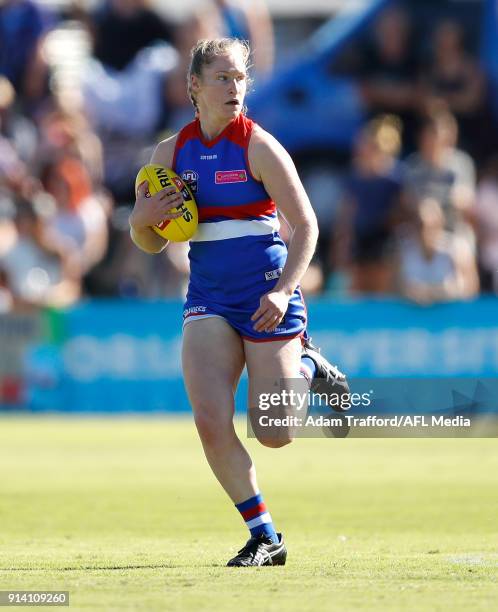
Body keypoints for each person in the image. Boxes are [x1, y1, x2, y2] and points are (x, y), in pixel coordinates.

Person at [129, 38, 349, 567]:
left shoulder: (259, 146)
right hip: (208, 299)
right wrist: (141, 218)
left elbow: (307, 227)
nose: (234, 88)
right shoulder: (169, 155)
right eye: (222, 78)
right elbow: (152, 239)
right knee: (209, 420)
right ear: (194, 88)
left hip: (267, 299)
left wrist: (281, 290)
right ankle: (265, 536)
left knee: (274, 433)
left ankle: (309, 362)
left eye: (240, 78)